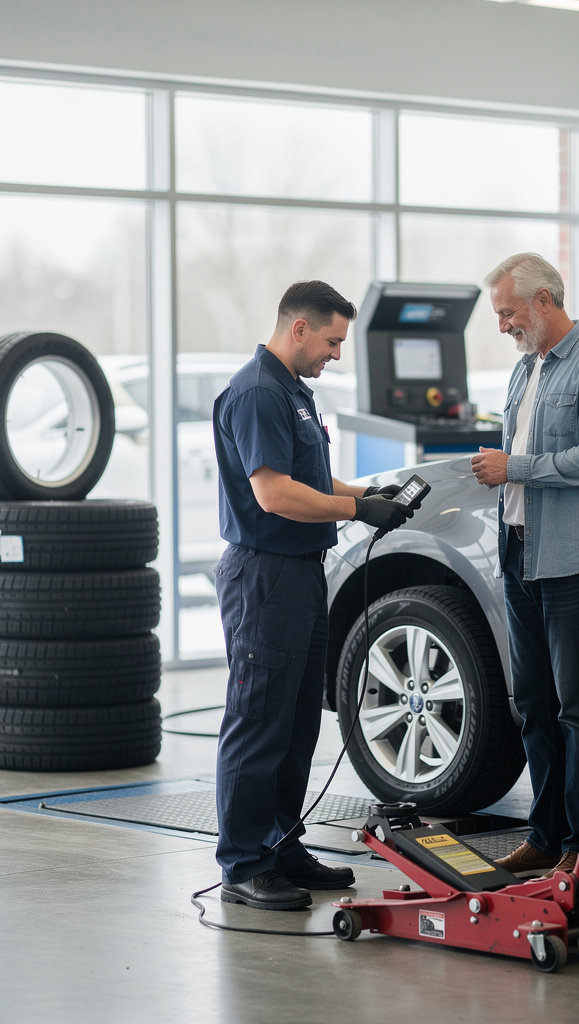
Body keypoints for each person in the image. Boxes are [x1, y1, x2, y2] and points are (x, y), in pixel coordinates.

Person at [211, 279, 411, 910]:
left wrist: (374, 497)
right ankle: (244, 863)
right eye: (332, 340)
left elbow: (310, 478)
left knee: (297, 722)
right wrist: (356, 509)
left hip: (299, 572)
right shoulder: (256, 393)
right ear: (299, 328)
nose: (336, 354)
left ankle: (281, 844)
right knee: (258, 720)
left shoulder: (292, 392)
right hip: (264, 576)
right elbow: (274, 494)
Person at [470, 253, 579, 880]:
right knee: (532, 703)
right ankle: (544, 836)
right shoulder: (523, 370)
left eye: (510, 312)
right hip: (522, 552)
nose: (505, 325)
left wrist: (514, 467)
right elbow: (522, 450)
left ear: (545, 301)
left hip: (577, 560)